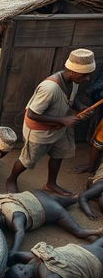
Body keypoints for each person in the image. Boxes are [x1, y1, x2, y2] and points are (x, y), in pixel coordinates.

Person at [6, 49, 96, 195]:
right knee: (27, 160)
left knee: (58, 155)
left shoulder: (74, 81)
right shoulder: (50, 88)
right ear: (73, 71)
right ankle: (11, 179)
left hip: (59, 128)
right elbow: (32, 114)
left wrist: (80, 107)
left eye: (89, 75)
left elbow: (71, 99)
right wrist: (64, 119)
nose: (88, 79)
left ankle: (51, 184)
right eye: (85, 75)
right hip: (40, 131)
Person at [0, 189, 103, 258]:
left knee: (78, 231)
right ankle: (75, 198)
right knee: (70, 201)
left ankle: (98, 231)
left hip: (50, 210)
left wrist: (14, 250)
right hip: (38, 194)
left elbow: (19, 232)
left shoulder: (15, 215)